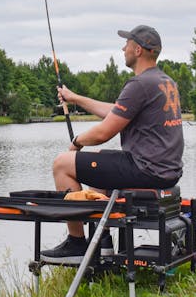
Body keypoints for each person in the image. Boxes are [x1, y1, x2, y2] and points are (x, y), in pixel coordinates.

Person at [40, 25, 184, 263]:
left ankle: (76, 242)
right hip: (166, 171)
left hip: (145, 170)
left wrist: (76, 142)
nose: (123, 47)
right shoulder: (164, 81)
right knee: (101, 165)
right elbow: (115, 112)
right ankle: (103, 243)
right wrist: (75, 98)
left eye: (127, 43)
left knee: (62, 164)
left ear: (138, 50)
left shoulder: (139, 84)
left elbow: (105, 131)